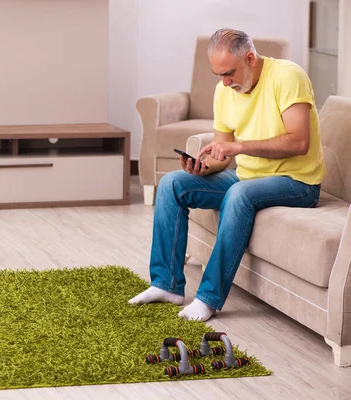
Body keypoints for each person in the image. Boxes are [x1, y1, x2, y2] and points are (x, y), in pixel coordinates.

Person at [128, 28, 325, 321]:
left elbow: (299, 142)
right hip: (247, 176)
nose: (224, 82)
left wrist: (238, 146)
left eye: (230, 73)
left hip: (297, 183)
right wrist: (204, 167)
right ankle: (166, 284)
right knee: (172, 184)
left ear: (250, 58)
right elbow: (223, 154)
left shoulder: (287, 77)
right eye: (219, 75)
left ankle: (209, 298)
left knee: (239, 193)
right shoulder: (224, 91)